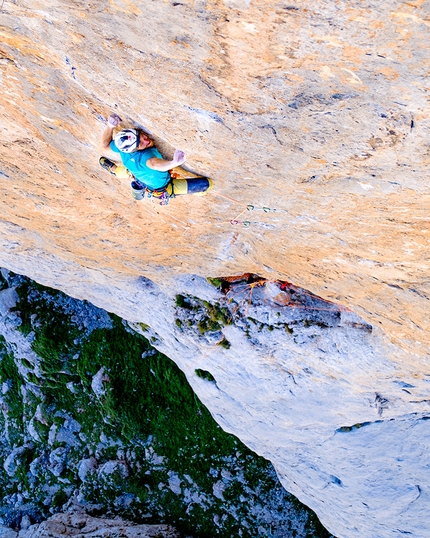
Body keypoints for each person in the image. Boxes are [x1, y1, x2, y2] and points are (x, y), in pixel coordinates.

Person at [99, 113, 186, 191]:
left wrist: (110, 126)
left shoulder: (124, 145)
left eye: (140, 136)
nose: (145, 141)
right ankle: (113, 169)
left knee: (128, 173)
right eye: (140, 143)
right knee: (200, 187)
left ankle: (113, 169)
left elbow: (105, 146)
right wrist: (173, 163)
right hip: (161, 186)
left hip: (135, 173)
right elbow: (153, 164)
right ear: (134, 149)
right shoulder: (145, 156)